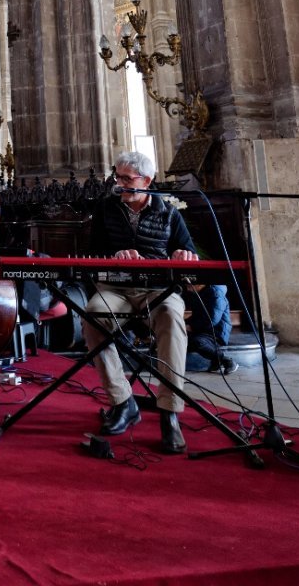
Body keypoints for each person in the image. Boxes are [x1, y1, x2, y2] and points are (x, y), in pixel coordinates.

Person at [82, 149, 197, 454]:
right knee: (93, 314)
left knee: (172, 317)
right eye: (116, 176)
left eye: (126, 178)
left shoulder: (169, 212)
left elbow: (187, 252)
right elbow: (92, 255)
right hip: (116, 289)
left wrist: (182, 256)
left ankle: (169, 413)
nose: (118, 184)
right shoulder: (106, 209)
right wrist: (113, 256)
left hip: (157, 290)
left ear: (146, 181)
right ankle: (122, 402)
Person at [185, 284, 238, 375]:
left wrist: (191, 326)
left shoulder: (215, 294)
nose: (187, 287)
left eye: (190, 284)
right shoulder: (201, 294)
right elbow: (197, 316)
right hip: (204, 331)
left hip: (216, 333)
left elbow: (212, 319)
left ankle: (227, 361)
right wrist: (183, 323)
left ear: (200, 284)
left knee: (198, 342)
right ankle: (216, 361)